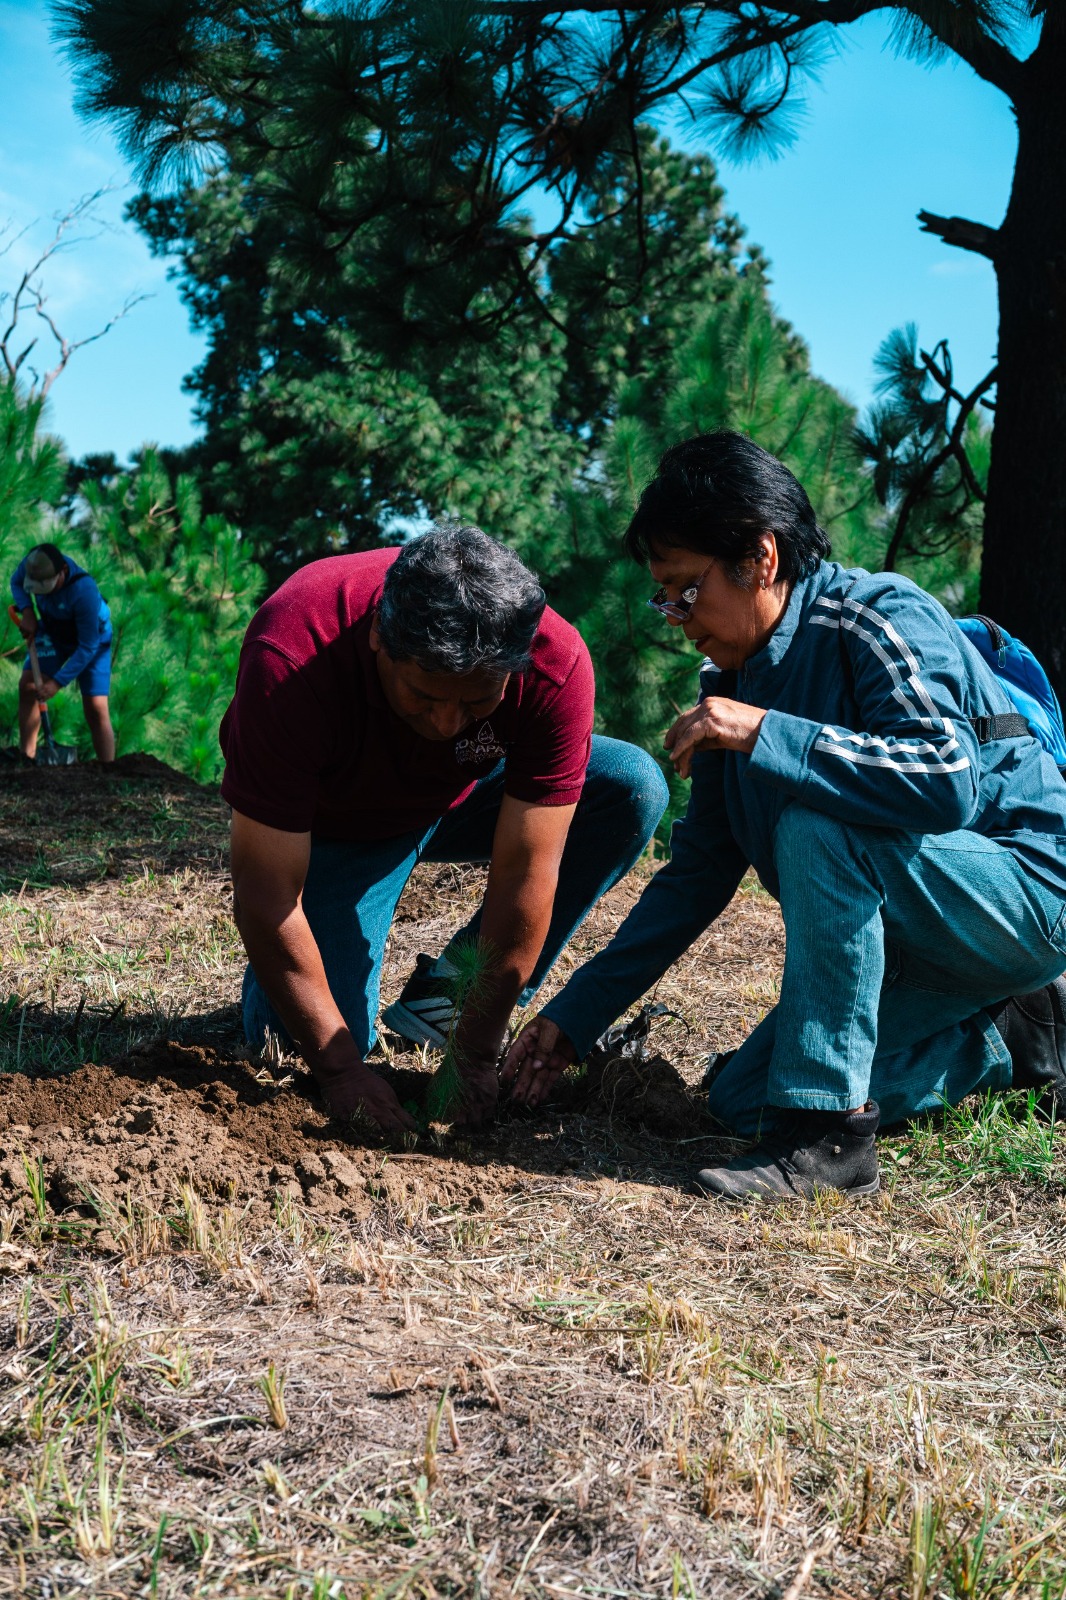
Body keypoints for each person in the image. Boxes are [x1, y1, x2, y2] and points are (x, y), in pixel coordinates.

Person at [502, 431, 1066, 1200]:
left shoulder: (875, 616)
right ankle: (1019, 1035)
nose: (673, 615)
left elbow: (948, 780)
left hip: (1026, 896)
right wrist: (573, 1017)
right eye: (662, 595)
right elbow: (694, 880)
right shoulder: (731, 687)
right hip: (926, 944)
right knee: (746, 1100)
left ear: (761, 557)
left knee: (817, 825)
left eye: (686, 589)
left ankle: (831, 1140)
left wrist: (766, 732)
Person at [222, 522, 668, 1135]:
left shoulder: (552, 660)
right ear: (378, 636)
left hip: (468, 791)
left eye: (477, 702)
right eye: (424, 696)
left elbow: (525, 871)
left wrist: (476, 1052)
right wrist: (341, 1070)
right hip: (342, 825)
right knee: (299, 1042)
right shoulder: (296, 646)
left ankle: (448, 996)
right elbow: (267, 894)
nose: (447, 722)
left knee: (629, 786)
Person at [11, 543, 115, 763]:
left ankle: (109, 770)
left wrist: (57, 683)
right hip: (54, 631)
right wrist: (28, 611)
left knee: (96, 707)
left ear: (63, 572)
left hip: (92, 638)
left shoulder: (84, 591)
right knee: (29, 685)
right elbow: (16, 582)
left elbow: (88, 647)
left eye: (44, 587)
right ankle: (27, 758)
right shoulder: (33, 565)